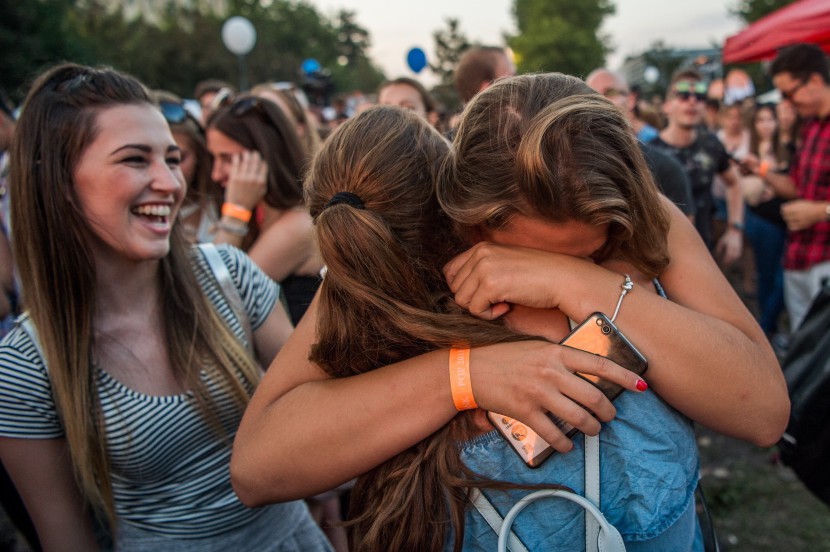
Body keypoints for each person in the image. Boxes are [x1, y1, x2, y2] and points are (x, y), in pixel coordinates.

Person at [232, 74, 788, 550]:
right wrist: (464, 377)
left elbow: (762, 412)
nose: (581, 261)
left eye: (596, 248)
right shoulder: (402, 246)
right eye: (540, 252)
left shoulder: (648, 219)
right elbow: (258, 466)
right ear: (470, 221)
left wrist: (577, 282)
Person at [0, 63, 330, 551]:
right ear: (59, 182)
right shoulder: (26, 365)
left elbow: (320, 420)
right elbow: (66, 536)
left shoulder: (228, 276)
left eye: (172, 159)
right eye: (136, 159)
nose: (169, 182)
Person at [206, 95, 323, 325]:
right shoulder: (264, 214)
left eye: (227, 158)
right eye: (213, 158)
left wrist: (235, 212)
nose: (216, 173)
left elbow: (214, 298)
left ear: (264, 154)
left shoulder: (297, 225)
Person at [651, 69, 745, 265]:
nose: (692, 101)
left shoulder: (711, 145)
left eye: (700, 97)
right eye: (684, 95)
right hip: (663, 255)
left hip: (704, 249)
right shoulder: (651, 152)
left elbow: (734, 183)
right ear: (668, 106)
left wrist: (735, 229)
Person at [767, 43, 830, 331]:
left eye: (789, 93)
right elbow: (799, 188)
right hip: (800, 256)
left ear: (816, 80)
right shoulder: (810, 126)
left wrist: (821, 212)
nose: (787, 103)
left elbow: (814, 204)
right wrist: (762, 170)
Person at [586, 68, 695, 220]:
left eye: (609, 93)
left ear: (631, 99)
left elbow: (684, 239)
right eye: (590, 95)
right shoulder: (570, 167)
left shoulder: (666, 168)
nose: (599, 100)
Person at [155, 91, 222, 244]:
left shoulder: (223, 200)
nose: (164, 177)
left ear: (199, 154)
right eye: (139, 160)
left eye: (175, 159)